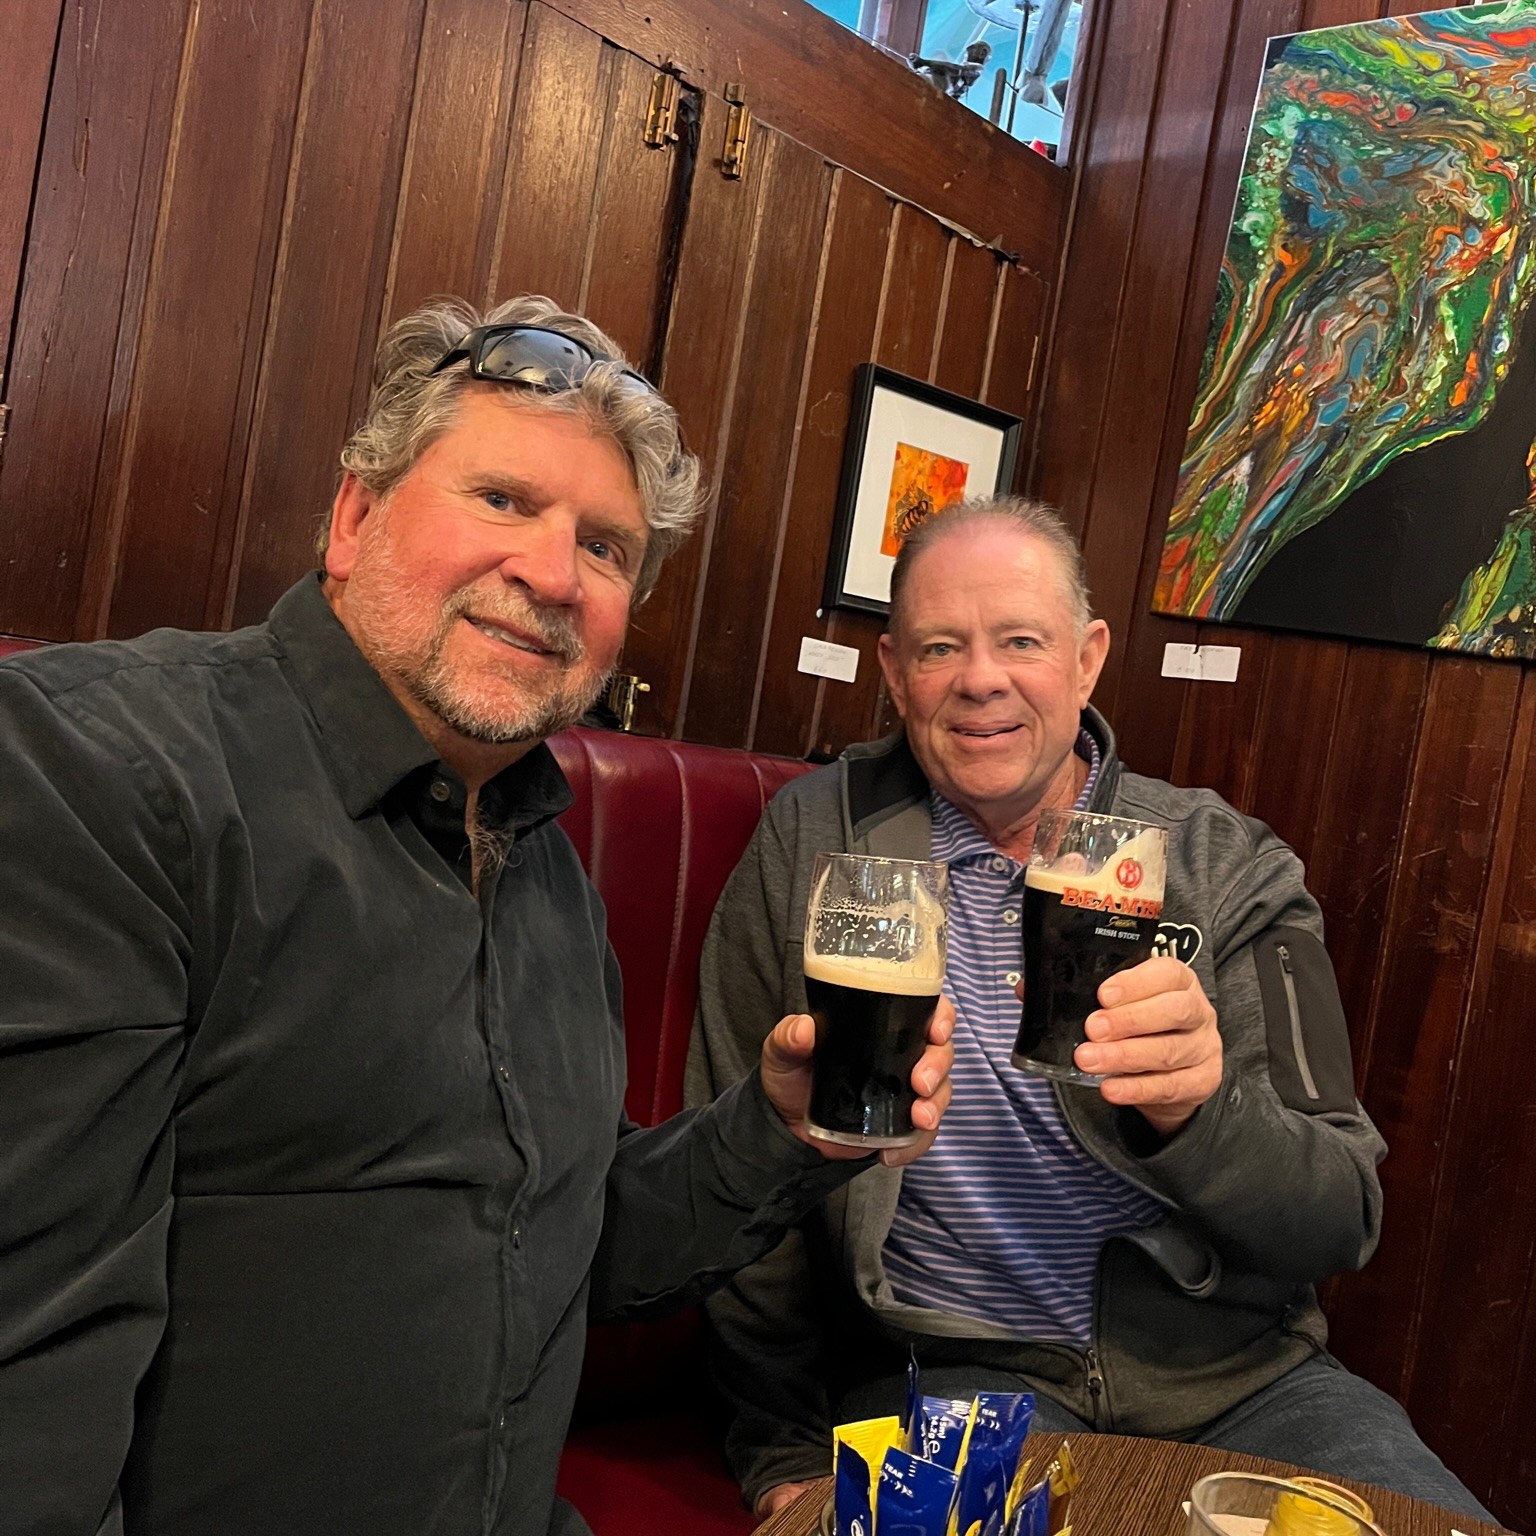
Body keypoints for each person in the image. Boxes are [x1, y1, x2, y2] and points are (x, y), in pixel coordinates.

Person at [0, 294, 955, 1536]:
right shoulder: (98, 773)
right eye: (503, 499)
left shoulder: (540, 859)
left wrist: (783, 1130)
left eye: (605, 548)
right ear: (355, 517)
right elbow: (29, 1398)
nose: (553, 575)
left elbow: (573, 1239)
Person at [687, 496, 1494, 1524]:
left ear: (1088, 659)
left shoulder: (1225, 864)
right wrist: (781, 1444)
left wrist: (1199, 1115)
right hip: (955, 1372)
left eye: (1021, 641)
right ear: (893, 672)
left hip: (1237, 1380)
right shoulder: (814, 843)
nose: (982, 678)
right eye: (940, 647)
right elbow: (736, 1159)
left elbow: (1341, 1217)